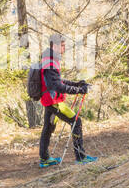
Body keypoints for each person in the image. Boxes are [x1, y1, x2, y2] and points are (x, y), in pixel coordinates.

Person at [36, 35, 98, 167]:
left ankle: (45, 159)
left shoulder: (49, 59)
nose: (64, 48)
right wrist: (79, 90)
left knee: (48, 128)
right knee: (76, 121)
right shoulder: (50, 62)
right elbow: (57, 86)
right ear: (55, 46)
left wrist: (77, 84)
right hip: (53, 101)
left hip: (49, 99)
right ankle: (80, 157)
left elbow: (58, 81)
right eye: (62, 45)